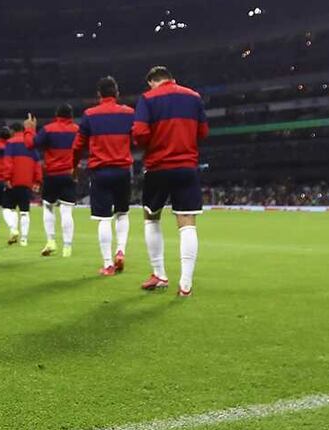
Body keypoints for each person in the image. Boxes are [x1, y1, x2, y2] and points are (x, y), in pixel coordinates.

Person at [132, 66, 209, 296]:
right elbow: (203, 132)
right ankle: (185, 284)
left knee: (151, 218)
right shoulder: (193, 97)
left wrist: (154, 144)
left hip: (159, 166)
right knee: (187, 223)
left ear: (152, 82)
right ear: (172, 79)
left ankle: (160, 274)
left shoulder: (147, 98)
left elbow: (139, 133)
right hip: (187, 166)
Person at [73, 76, 135, 277]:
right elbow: (138, 138)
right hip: (123, 170)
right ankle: (121, 250)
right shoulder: (129, 114)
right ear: (117, 93)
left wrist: (73, 165)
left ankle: (108, 264)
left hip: (100, 171)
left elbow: (78, 145)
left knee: (103, 218)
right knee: (122, 213)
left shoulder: (90, 115)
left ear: (99, 94)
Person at [23, 104, 80, 258]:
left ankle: (51, 241)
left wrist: (29, 129)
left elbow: (30, 144)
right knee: (67, 211)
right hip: (69, 174)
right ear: (71, 116)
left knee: (48, 207)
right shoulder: (77, 130)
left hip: (52, 175)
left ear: (57, 115)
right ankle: (67, 247)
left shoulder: (49, 129)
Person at [4, 122, 41, 247]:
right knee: (25, 211)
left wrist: (7, 178)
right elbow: (37, 164)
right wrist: (37, 180)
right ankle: (24, 239)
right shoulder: (31, 143)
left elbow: (8, 162)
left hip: (14, 181)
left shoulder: (10, 142)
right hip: (27, 181)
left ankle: (13, 229)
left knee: (9, 209)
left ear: (13, 131)